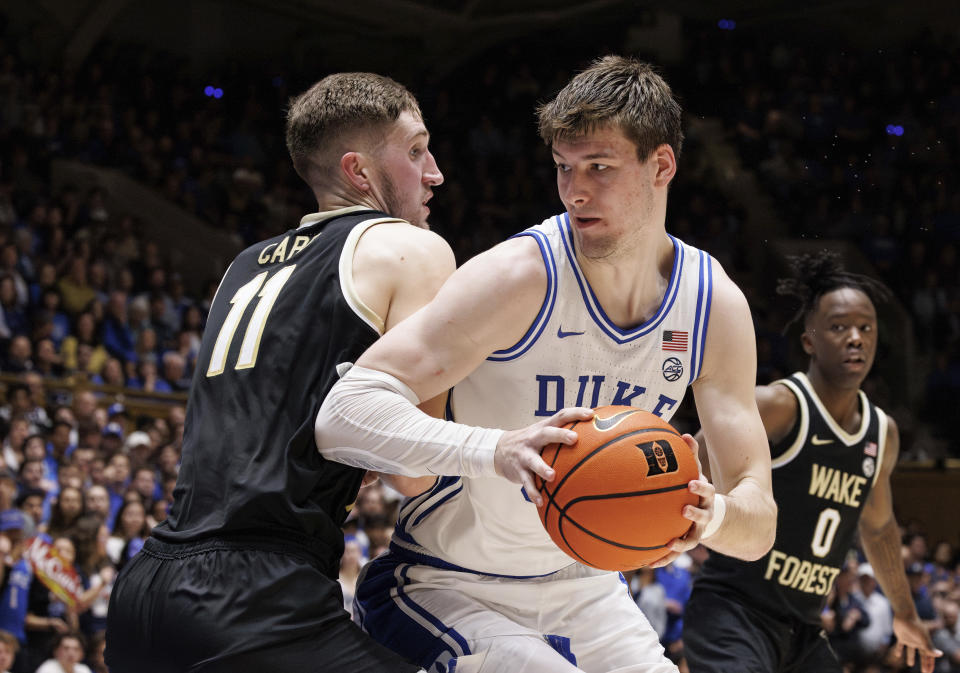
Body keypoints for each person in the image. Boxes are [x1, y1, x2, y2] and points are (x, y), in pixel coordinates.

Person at [317, 56, 776, 673]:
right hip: (444, 584)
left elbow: (760, 524)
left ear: (661, 165)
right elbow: (343, 413)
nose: (575, 189)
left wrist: (707, 515)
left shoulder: (712, 305)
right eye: (564, 168)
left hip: (588, 590)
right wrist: (497, 449)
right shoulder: (519, 276)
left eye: (600, 168)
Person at [104, 71, 451, 672]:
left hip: (149, 587)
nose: (435, 172)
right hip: (258, 596)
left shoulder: (242, 267)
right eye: (416, 150)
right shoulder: (411, 247)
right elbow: (417, 471)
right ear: (359, 171)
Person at [683, 251, 942, 673]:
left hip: (804, 627)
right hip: (733, 611)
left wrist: (905, 613)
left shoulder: (882, 433)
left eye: (866, 328)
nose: (856, 338)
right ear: (809, 341)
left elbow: (877, 528)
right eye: (839, 327)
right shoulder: (778, 406)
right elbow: (688, 467)